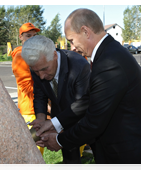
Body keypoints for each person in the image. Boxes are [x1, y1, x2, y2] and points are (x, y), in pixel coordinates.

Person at [36, 8, 141, 170]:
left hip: (132, 154)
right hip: (123, 150)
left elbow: (94, 122)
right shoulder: (107, 53)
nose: (72, 47)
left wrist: (60, 141)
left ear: (85, 31)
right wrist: (54, 123)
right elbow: (88, 99)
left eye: (72, 40)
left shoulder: (110, 62)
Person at [21, 35, 90, 170]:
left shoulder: (79, 65)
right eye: (36, 71)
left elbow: (83, 103)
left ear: (54, 55)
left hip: (86, 121)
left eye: (44, 69)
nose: (41, 76)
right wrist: (41, 119)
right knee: (70, 162)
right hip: (59, 118)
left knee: (103, 157)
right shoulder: (38, 64)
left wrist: (53, 123)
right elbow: (40, 94)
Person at [11, 22, 44, 155]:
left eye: (35, 35)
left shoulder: (33, 53)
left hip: (38, 106)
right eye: (28, 35)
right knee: (33, 148)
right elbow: (26, 86)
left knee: (39, 144)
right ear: (21, 37)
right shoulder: (20, 56)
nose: (32, 38)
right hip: (30, 109)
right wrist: (45, 105)